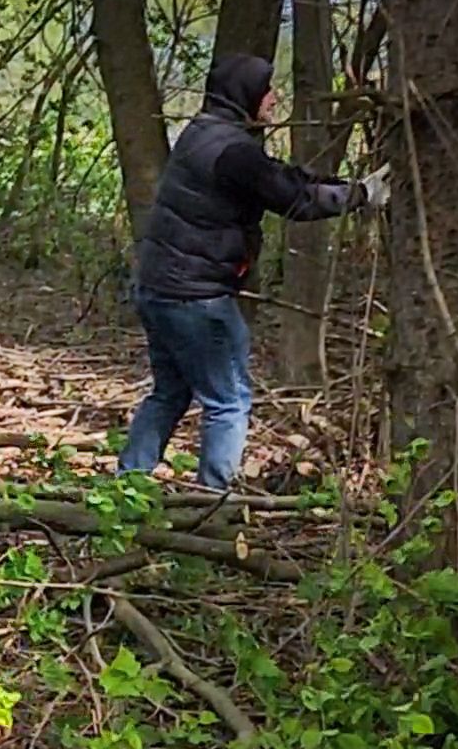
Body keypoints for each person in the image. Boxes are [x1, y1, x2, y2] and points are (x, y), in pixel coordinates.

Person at [121, 54, 390, 490]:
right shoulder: (233, 152)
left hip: (158, 289)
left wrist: (351, 188)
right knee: (228, 401)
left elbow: (283, 179)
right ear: (246, 95)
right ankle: (213, 505)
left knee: (170, 392)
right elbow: (295, 200)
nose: (274, 97)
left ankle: (124, 490)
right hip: (196, 299)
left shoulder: (204, 134)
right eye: (267, 90)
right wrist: (361, 195)